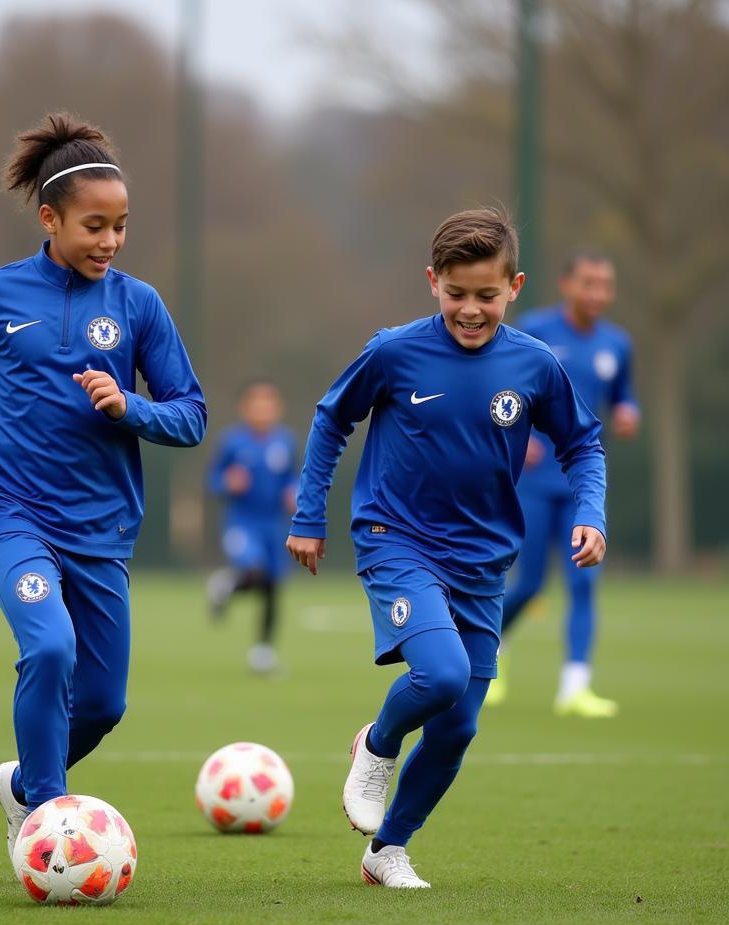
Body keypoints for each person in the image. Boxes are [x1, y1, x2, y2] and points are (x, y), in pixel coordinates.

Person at [0, 112, 206, 875]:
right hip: (11, 514)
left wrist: (129, 406)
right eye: (94, 226)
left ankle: (20, 782)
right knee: (49, 648)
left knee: (105, 703)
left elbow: (191, 415)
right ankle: (46, 822)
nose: (110, 241)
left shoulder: (139, 307)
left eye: (120, 227)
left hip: (103, 529)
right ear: (50, 219)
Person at [287, 209, 607, 889]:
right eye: (456, 293)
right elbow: (330, 418)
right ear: (432, 283)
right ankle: (376, 746)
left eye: (486, 296)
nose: (470, 309)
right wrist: (309, 513)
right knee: (440, 674)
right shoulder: (394, 351)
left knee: (458, 727)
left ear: (514, 286)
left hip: (483, 562)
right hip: (395, 539)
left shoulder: (534, 363)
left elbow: (583, 444)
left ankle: (387, 852)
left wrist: (591, 512)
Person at [486, 253, 639, 717]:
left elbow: (621, 396)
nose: (597, 294)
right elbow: (500, 389)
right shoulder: (535, 330)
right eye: (588, 283)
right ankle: (491, 653)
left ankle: (575, 686)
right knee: (528, 584)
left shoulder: (618, 344)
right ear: (566, 283)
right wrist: (517, 436)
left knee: (583, 584)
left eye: (605, 285)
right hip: (532, 483)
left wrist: (628, 411)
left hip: (581, 485)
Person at [207, 380, 297, 675]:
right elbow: (214, 480)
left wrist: (294, 493)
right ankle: (227, 584)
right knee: (255, 572)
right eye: (256, 404)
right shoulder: (233, 442)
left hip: (274, 525)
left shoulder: (285, 441)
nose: (263, 410)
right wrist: (227, 483)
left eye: (268, 403)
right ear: (245, 408)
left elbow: (292, 479)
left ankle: (263, 652)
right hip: (242, 524)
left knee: (272, 586)